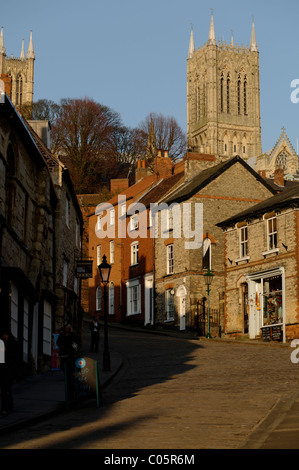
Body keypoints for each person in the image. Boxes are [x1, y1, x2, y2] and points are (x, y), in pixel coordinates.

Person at [0, 329, 18, 415]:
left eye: (6, 335)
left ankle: (5, 407)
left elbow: (14, 358)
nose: (5, 337)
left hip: (10, 370)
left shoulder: (12, 344)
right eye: (3, 335)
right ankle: (9, 405)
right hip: (3, 369)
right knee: (5, 389)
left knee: (5, 389)